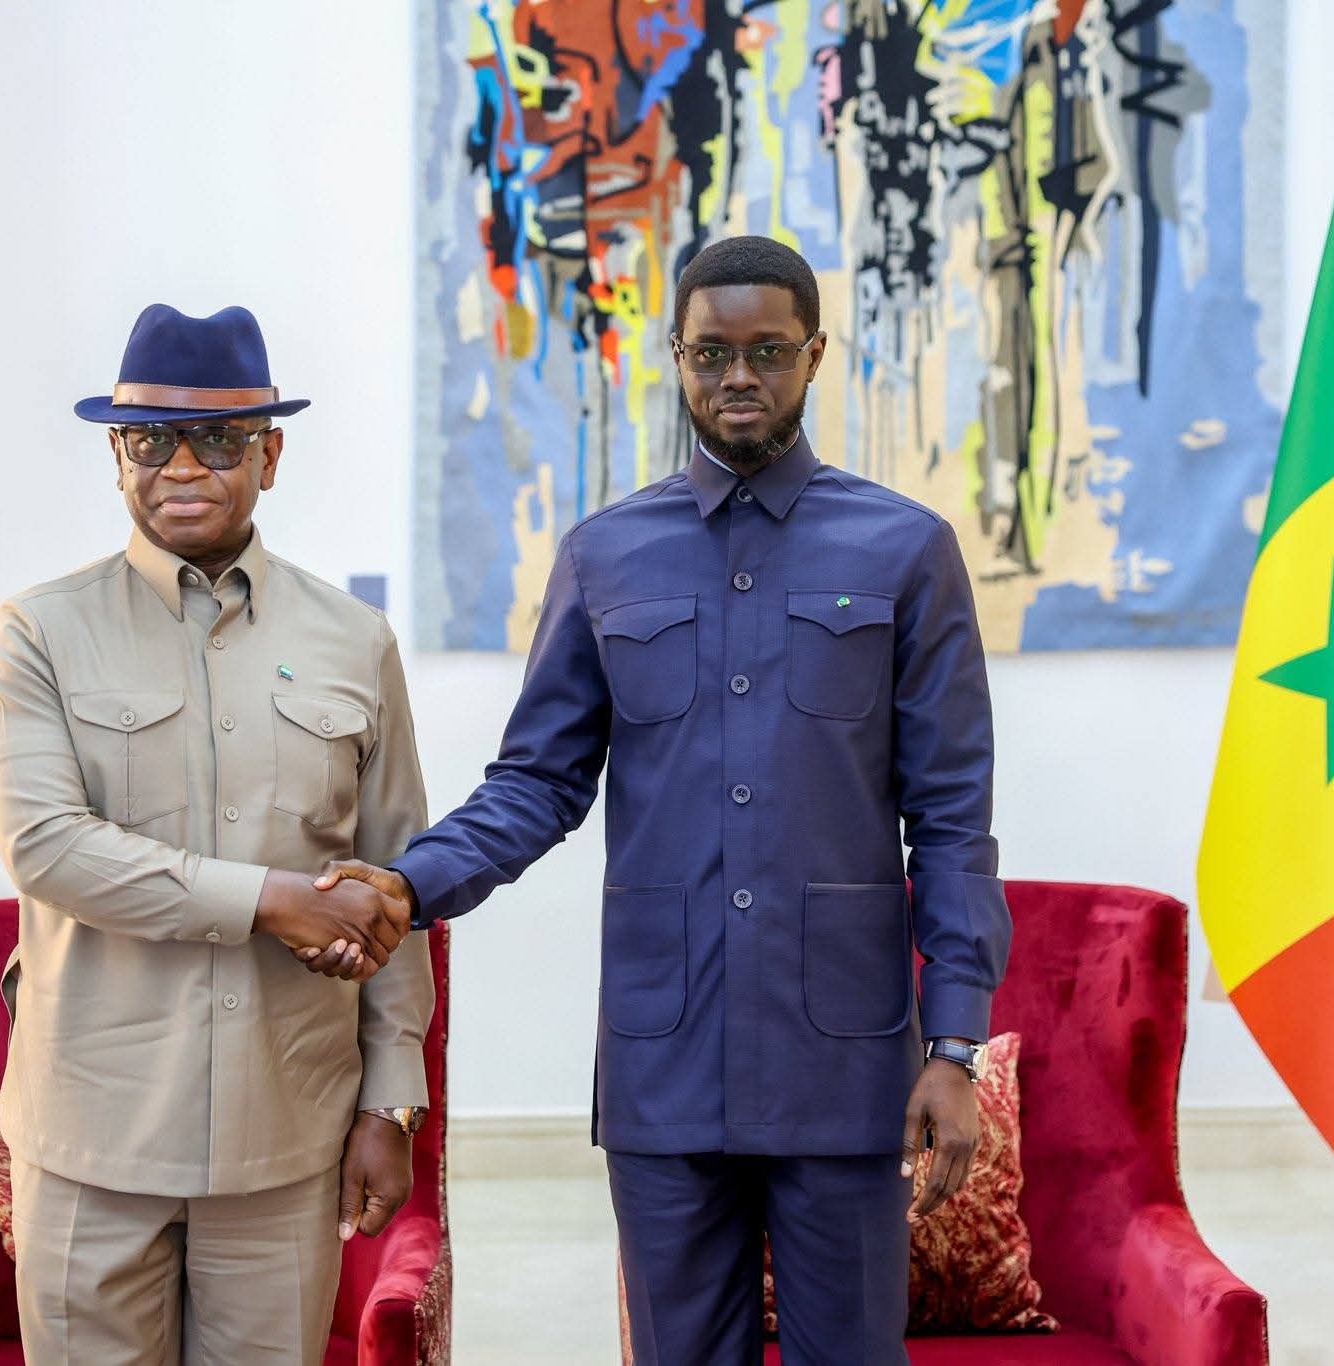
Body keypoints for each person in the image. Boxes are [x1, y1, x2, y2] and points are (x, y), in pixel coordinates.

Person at [317, 237, 1010, 1365]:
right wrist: (407, 884)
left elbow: (950, 818)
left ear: (813, 355)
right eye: (710, 352)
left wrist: (955, 1044)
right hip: (665, 1058)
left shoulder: (905, 551)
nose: (738, 376)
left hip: (843, 1061)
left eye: (767, 351)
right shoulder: (604, 556)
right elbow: (536, 782)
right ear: (675, 357)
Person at [0, 302, 434, 1365]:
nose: (182, 465)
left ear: (269, 456)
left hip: (286, 1133)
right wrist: (272, 900)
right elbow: (47, 846)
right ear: (116, 457)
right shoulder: (39, 632)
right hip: (93, 1138)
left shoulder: (354, 641)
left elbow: (396, 884)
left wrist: (391, 1102)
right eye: (150, 439)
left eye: (220, 439)